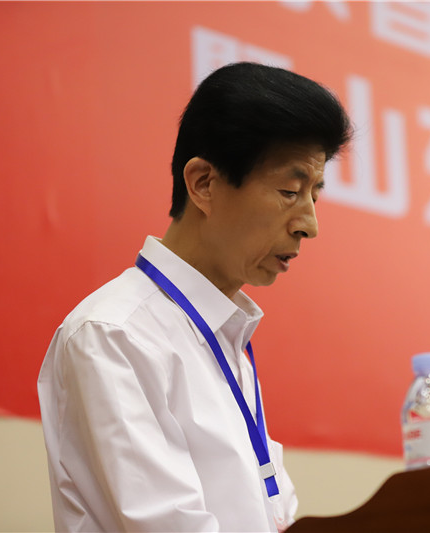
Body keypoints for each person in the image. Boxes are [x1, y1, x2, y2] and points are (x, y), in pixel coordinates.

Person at [38, 62, 352, 532]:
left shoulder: (224, 337)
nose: (309, 224)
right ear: (204, 183)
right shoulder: (115, 335)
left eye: (314, 194)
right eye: (290, 191)